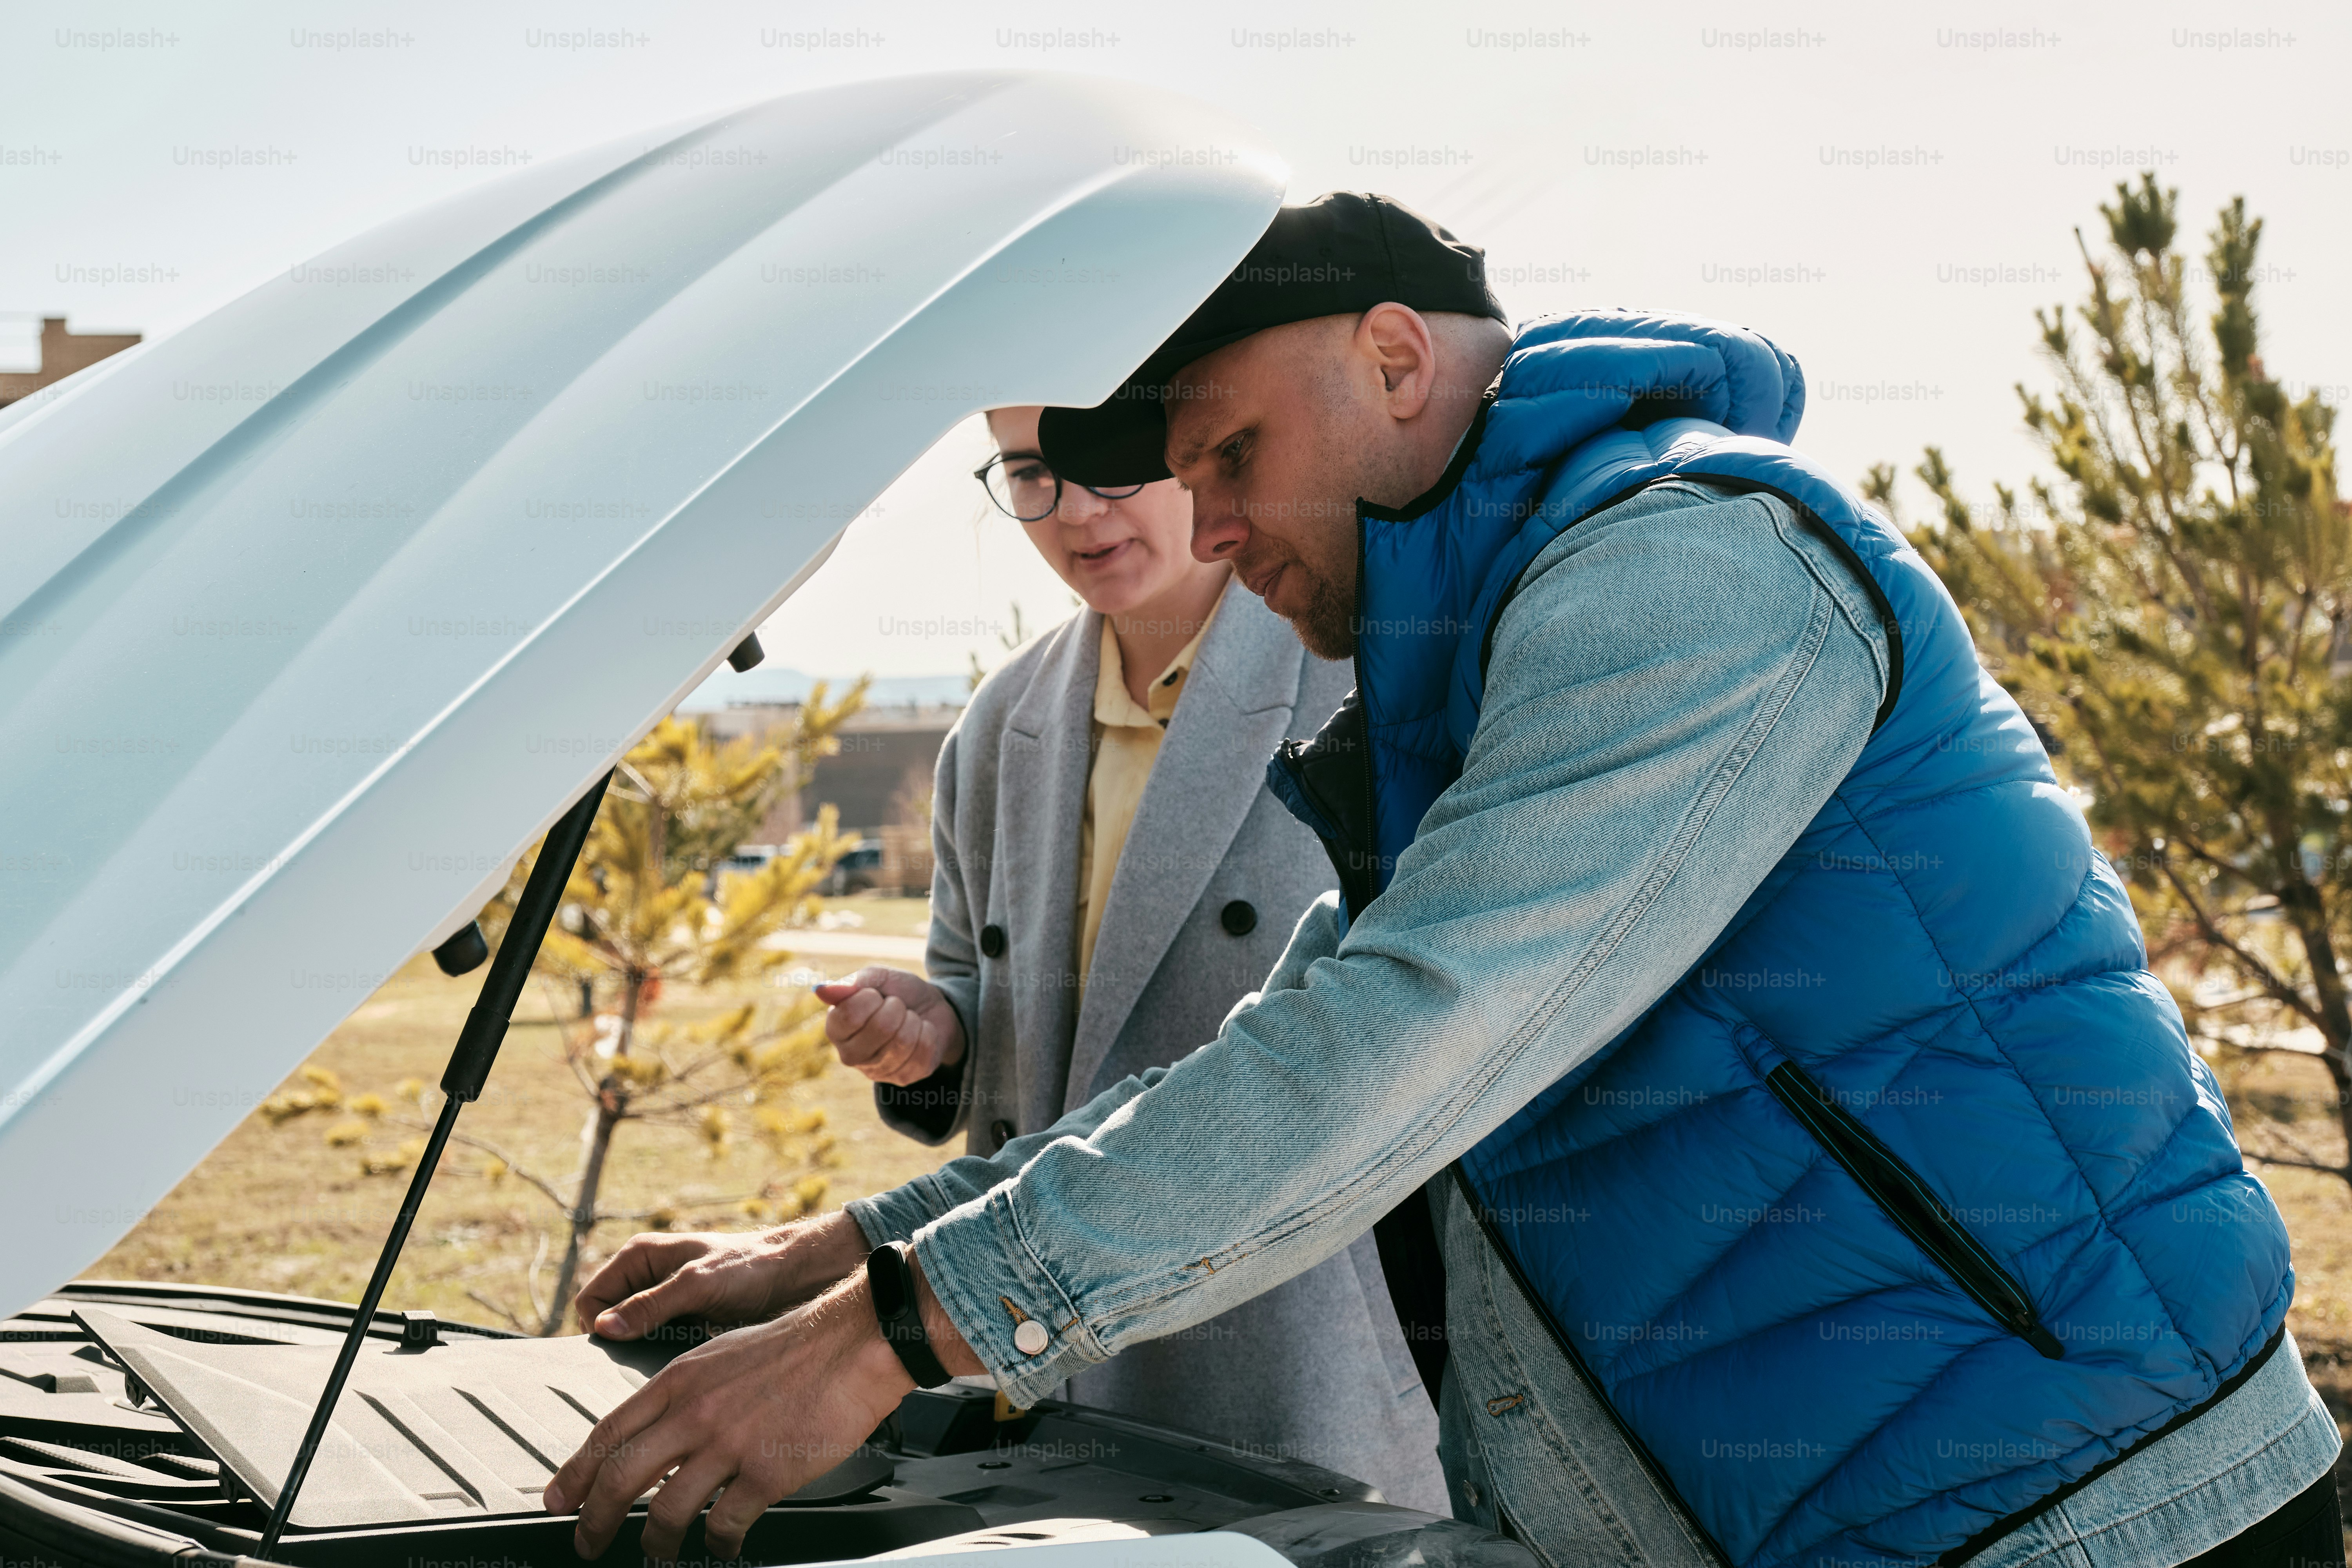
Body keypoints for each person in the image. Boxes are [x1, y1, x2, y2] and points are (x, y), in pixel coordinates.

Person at [546, 195, 2339, 1568]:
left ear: (1398, 360)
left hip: (2092, 1503)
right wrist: (843, 1244)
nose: (1214, 524)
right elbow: (1250, 1057)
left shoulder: (1696, 564)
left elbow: (1399, 1043)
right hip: (1834, 1503)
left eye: (1231, 456)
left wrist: (888, 1338)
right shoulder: (1476, 667)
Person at [805, 404, 1440, 1508]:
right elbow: (977, 989)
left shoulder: (1357, 682)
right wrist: (933, 1031)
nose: (1078, 514)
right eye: (1031, 474)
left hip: (1294, 1344)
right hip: (1043, 1345)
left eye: (1110, 465)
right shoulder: (999, 725)